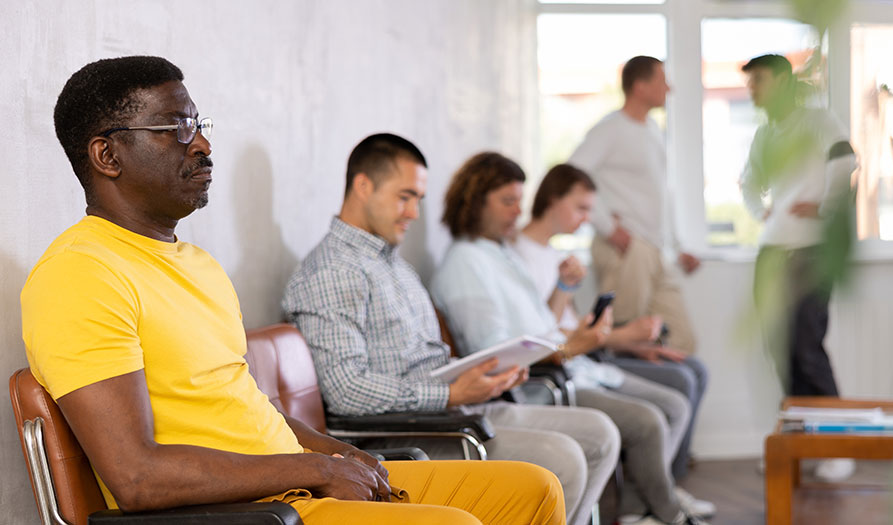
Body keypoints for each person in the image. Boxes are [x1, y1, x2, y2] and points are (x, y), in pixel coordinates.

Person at [20, 56, 565, 525]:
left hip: (288, 482)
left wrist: (343, 456)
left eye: (201, 124)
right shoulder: (82, 274)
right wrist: (317, 470)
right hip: (249, 510)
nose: (204, 145)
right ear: (107, 156)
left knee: (536, 490)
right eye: (178, 128)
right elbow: (136, 476)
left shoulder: (197, 263)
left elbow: (251, 411)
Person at [281, 133, 619, 525]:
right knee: (565, 458)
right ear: (362, 186)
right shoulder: (333, 271)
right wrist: (449, 392)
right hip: (415, 432)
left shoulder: (393, 263)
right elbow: (347, 391)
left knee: (598, 433)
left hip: (453, 410)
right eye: (404, 197)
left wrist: (481, 376)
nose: (413, 213)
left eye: (418, 200)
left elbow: (426, 357)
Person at [431, 152, 713, 525]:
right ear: (474, 199)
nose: (518, 211)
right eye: (507, 201)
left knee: (663, 405)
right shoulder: (466, 262)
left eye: (519, 199)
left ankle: (648, 511)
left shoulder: (498, 253)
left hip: (557, 368)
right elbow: (495, 351)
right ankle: (663, 513)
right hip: (537, 384)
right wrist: (571, 347)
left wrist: (571, 325)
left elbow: (538, 323)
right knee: (647, 420)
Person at [514, 163, 710, 483]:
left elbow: (571, 324)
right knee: (681, 382)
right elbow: (546, 332)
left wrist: (634, 344)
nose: (587, 218)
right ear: (552, 199)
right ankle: (659, 495)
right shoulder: (519, 256)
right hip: (569, 365)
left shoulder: (552, 254)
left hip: (585, 355)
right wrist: (621, 334)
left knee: (693, 370)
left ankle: (664, 491)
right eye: (581, 208)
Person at [740, 54, 858, 482]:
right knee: (781, 355)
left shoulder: (819, 120)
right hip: (771, 256)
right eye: (749, 81)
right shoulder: (763, 135)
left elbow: (845, 161)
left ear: (784, 81)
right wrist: (764, 212)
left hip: (809, 254)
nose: (752, 88)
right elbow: (749, 182)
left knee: (808, 351)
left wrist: (826, 209)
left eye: (759, 80)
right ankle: (794, 445)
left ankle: (837, 448)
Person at [568, 55, 700, 356]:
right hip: (627, 248)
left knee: (682, 340)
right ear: (640, 86)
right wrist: (606, 225)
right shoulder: (610, 129)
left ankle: (658, 398)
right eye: (662, 80)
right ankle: (618, 398)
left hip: (654, 250)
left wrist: (679, 245)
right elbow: (572, 174)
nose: (670, 88)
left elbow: (660, 194)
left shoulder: (653, 131)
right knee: (620, 337)